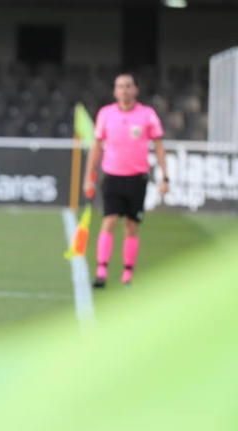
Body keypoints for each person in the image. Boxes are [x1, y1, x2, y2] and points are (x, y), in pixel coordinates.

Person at [84, 73, 169, 288]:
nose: (124, 90)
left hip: (137, 178)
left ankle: (127, 273)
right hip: (112, 176)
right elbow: (96, 147)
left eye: (128, 86)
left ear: (135, 90)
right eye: (120, 86)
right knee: (109, 221)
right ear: (115, 91)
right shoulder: (105, 114)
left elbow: (159, 146)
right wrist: (89, 176)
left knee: (131, 226)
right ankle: (101, 270)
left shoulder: (147, 115)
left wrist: (164, 176)